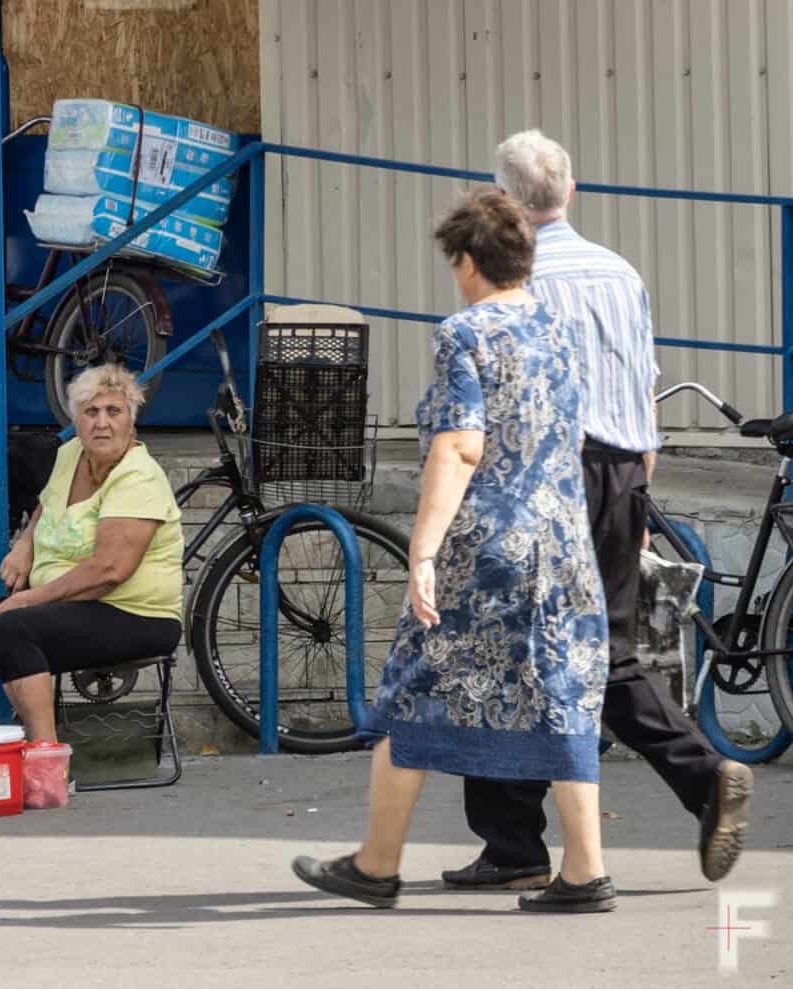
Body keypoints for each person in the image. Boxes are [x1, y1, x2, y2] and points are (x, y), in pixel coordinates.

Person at [439, 130, 754, 894]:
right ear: (570, 191)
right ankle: (691, 781)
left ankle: (518, 839)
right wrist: (638, 491)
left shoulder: (522, 281)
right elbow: (640, 382)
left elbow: (520, 401)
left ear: (506, 203)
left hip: (548, 478)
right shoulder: (620, 272)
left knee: (508, 650)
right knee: (602, 648)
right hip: (622, 472)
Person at [292, 187, 617, 912]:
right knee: (561, 692)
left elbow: (461, 446)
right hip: (561, 545)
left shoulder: (466, 334)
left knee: (411, 691)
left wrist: (424, 548)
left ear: (468, 261)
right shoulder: (561, 331)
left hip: (490, 546)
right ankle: (584, 869)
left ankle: (376, 865)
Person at [0, 364, 183, 742]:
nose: (102, 423)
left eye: (114, 411)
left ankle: (44, 757)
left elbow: (110, 570)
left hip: (136, 615)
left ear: (132, 419)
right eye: (91, 412)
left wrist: (31, 598)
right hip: (67, 606)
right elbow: (49, 505)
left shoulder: (139, 476)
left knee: (16, 626)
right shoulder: (71, 454)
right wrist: (26, 544)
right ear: (75, 418)